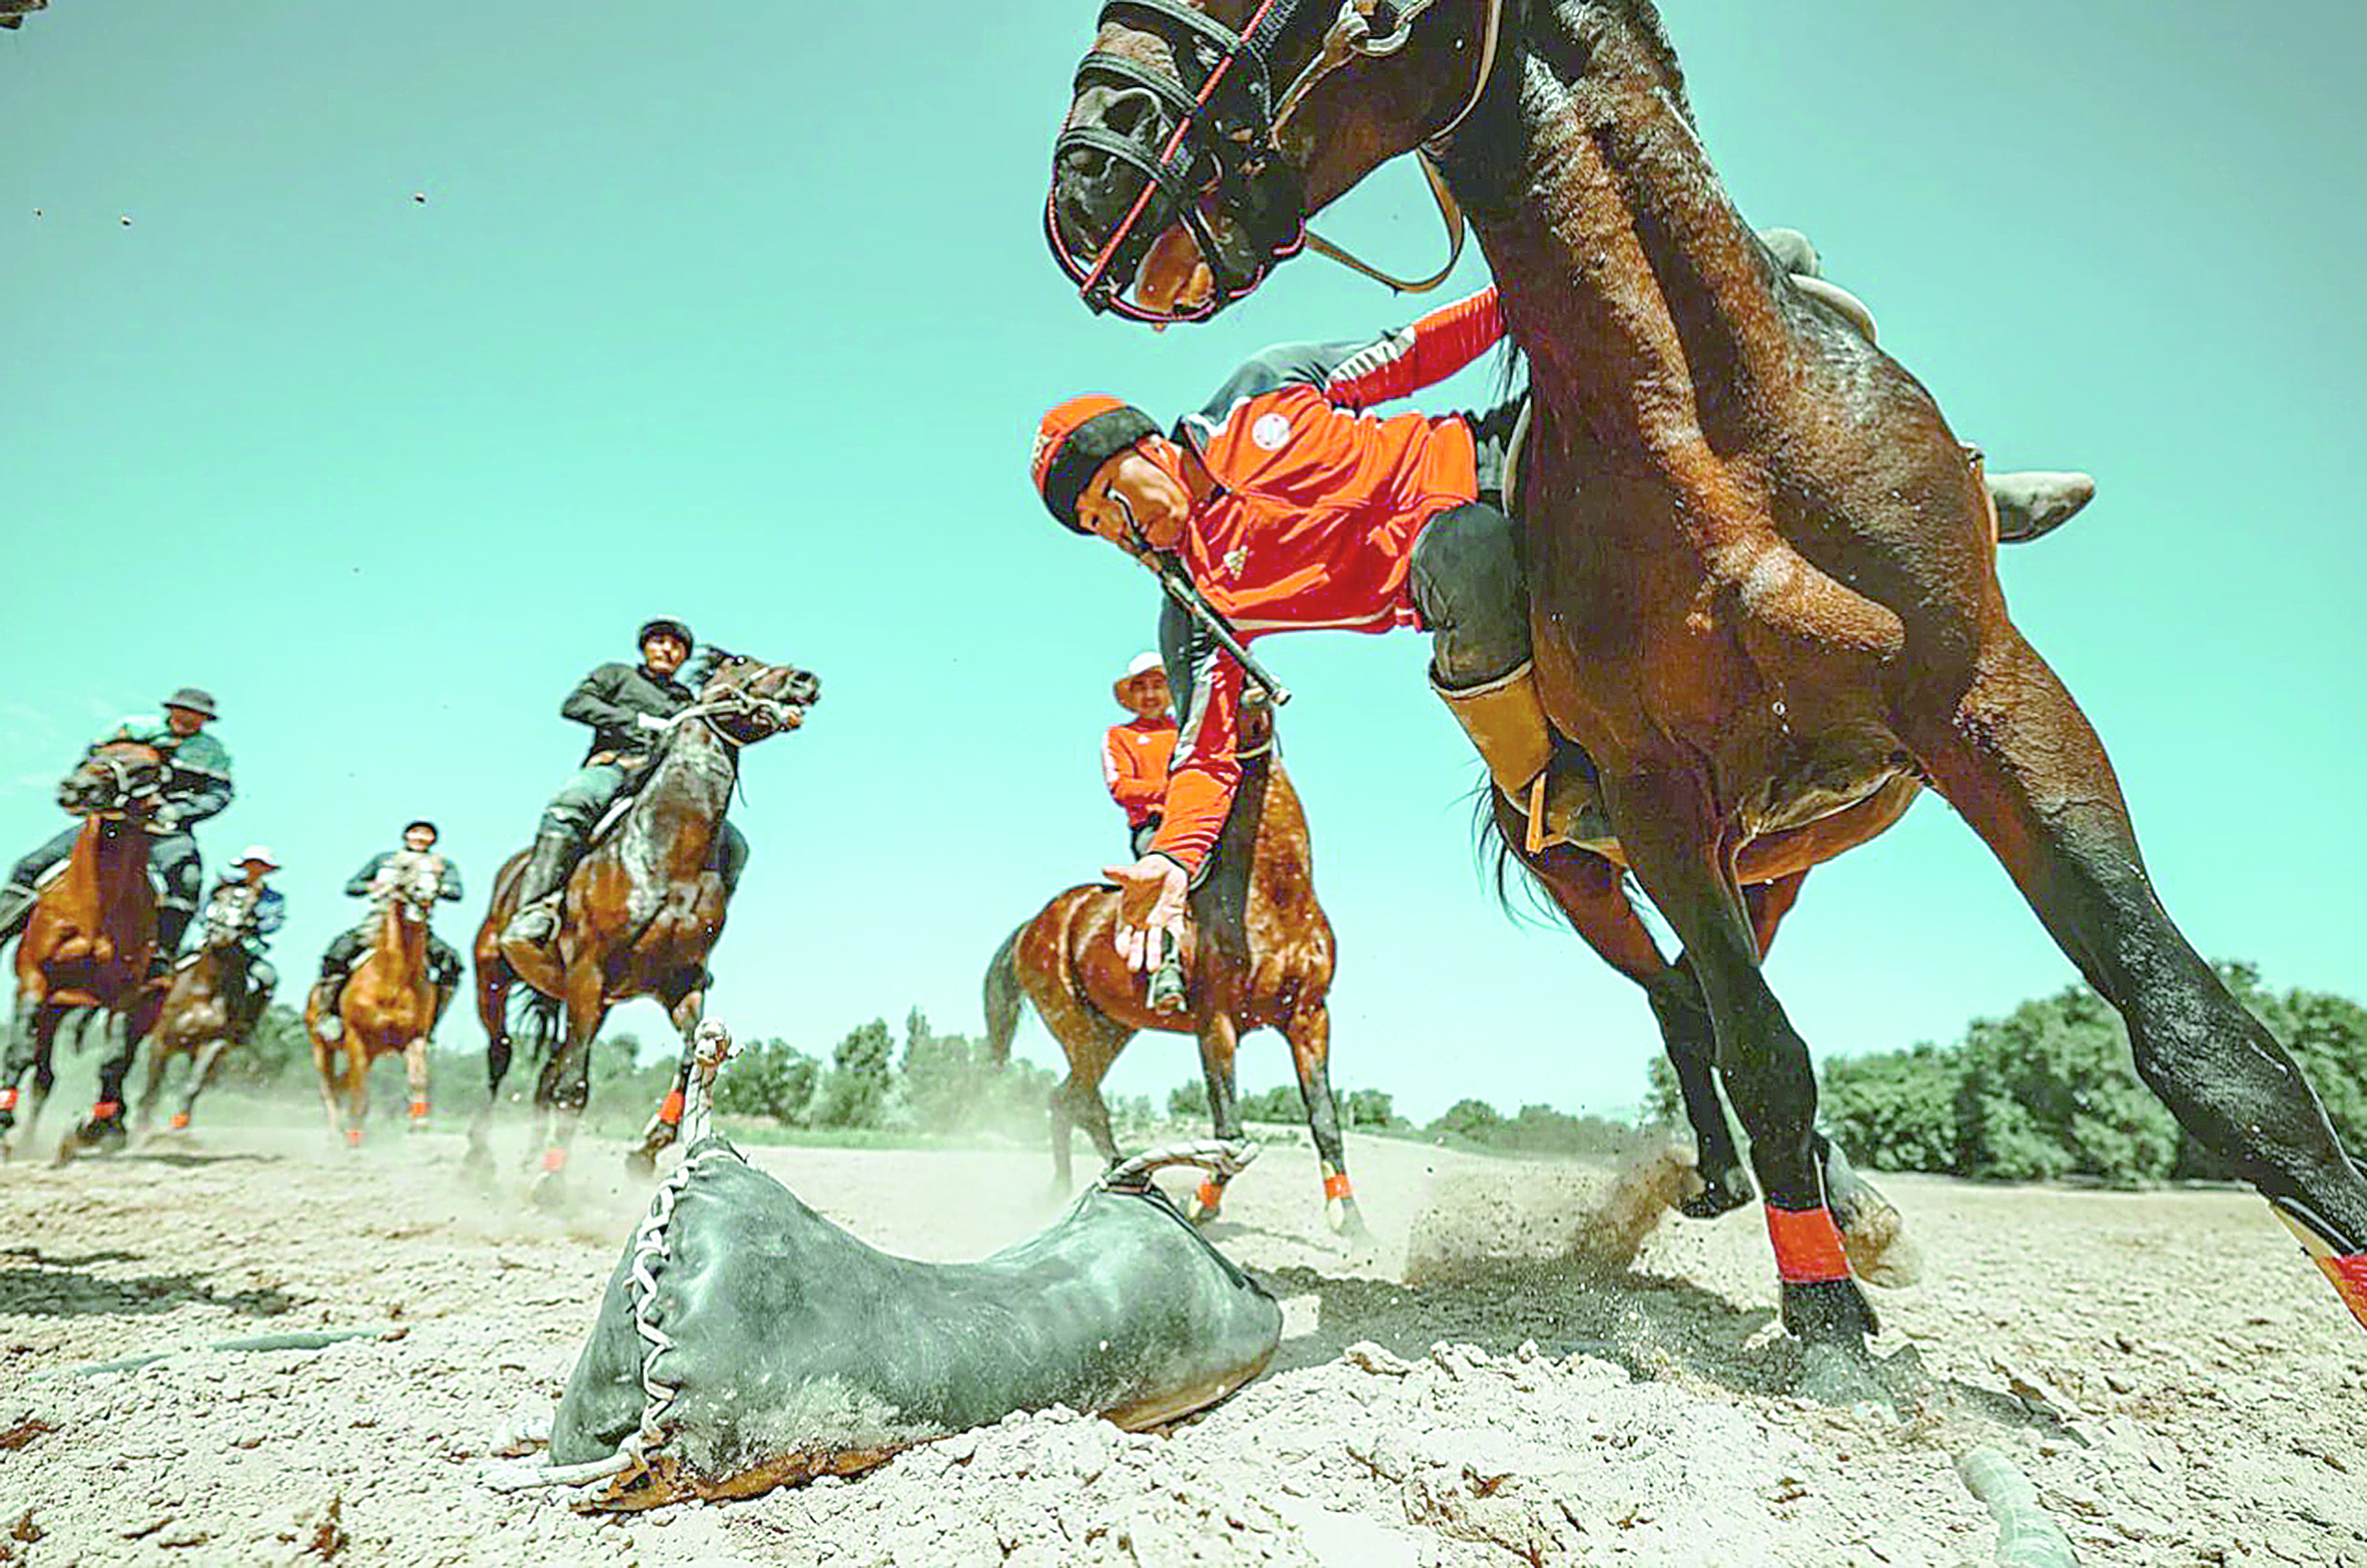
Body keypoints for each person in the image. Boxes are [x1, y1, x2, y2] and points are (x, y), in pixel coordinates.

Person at [1032, 271, 2094, 965]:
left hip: (1506, 452)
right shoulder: (1197, 600)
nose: (1116, 530)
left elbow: (1411, 351)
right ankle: (1552, 790)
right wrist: (1171, 862)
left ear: (1140, 445)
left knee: (1747, 286)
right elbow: (1206, 749)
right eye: (1096, 531)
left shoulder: (1257, 394)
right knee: (1459, 545)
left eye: (1109, 501)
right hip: (1469, 582)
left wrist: (1541, 286)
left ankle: (1955, 498)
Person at [500, 618, 748, 947]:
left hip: (662, 783)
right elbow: (575, 705)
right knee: (570, 804)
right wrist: (634, 721)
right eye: (659, 642)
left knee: (735, 846)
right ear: (645, 647)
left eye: (676, 647)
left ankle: (699, 938)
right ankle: (535, 908)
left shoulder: (686, 700)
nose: (667, 650)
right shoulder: (616, 674)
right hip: (615, 767)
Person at [0, 687, 233, 966]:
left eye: (197, 715)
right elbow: (89, 767)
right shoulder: (131, 729)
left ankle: (161, 958)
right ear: (171, 710)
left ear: (206, 720)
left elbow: (219, 795)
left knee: (188, 880)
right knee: (32, 865)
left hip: (165, 830)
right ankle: (4, 928)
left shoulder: (213, 754)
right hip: (111, 821)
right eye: (184, 711)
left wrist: (178, 812)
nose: (189, 718)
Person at [310, 820, 464, 1040]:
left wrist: (438, 889)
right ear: (406, 836)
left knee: (452, 963)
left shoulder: (442, 865)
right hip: (378, 922)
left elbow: (457, 892)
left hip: (418, 926)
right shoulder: (385, 859)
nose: (420, 838)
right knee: (338, 952)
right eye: (415, 833)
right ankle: (329, 1014)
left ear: (433, 840)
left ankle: (430, 1022)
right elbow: (352, 886)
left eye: (426, 834)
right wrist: (371, 886)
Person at [192, 846, 287, 1046]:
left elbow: (275, 921)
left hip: (245, 949)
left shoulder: (273, 899)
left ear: (268, 869)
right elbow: (202, 910)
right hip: (211, 942)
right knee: (176, 966)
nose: (255, 868)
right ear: (244, 865)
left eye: (261, 865)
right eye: (252, 863)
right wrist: (210, 925)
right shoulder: (223, 888)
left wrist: (253, 926)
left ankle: (244, 1025)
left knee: (267, 979)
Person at [1103, 652, 1178, 858]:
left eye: (1158, 686)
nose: (1150, 695)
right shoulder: (1119, 736)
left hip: (1204, 817)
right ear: (1131, 696)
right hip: (1153, 826)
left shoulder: (1188, 728)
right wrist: (1177, 790)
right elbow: (1121, 789)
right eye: (1141, 688)